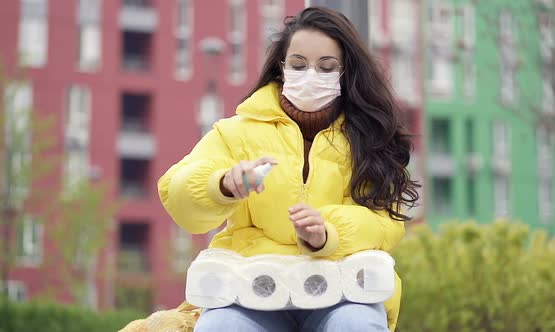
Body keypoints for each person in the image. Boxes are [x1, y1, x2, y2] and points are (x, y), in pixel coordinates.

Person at [157, 6, 419, 332]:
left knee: (355, 324)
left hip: (343, 289)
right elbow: (177, 194)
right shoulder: (238, 131)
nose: (310, 75)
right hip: (252, 288)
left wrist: (327, 233)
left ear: (346, 73)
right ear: (281, 69)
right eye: (298, 65)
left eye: (326, 67)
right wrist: (221, 185)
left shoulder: (369, 138)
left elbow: (386, 225)